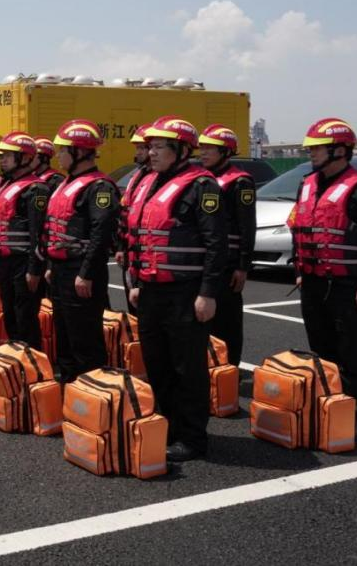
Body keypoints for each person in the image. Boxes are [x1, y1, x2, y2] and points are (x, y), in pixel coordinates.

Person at [127, 116, 227, 462]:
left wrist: (208, 293)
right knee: (157, 362)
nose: (152, 152)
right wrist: (137, 281)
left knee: (188, 368)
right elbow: (141, 237)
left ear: (182, 150)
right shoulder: (150, 182)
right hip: (151, 290)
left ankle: (192, 437)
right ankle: (167, 427)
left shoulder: (202, 186)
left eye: (159, 147)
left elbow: (216, 244)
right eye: (150, 147)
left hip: (186, 292)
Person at [290, 118, 357, 442]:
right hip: (313, 283)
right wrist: (299, 270)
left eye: (317, 148)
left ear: (340, 150)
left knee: (350, 350)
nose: (311, 153)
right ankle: (328, 405)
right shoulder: (307, 183)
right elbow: (299, 227)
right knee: (320, 348)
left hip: (346, 285)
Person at [43, 120, 119, 382]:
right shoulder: (66, 183)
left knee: (84, 337)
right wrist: (51, 266)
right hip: (61, 269)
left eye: (63, 150)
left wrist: (86, 273)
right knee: (64, 334)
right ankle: (68, 386)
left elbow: (101, 234)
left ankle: (91, 389)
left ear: (81, 152)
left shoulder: (99, 187)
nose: (58, 155)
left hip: (81, 271)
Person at [198, 124, 256, 366]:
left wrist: (243, 266)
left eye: (209, 148)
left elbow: (247, 226)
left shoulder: (239, 182)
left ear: (225, 152)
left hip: (228, 264)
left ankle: (230, 370)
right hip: (204, 262)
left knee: (227, 323)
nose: (203, 152)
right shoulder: (201, 179)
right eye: (201, 147)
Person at [0, 132, 50, 348]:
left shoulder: (36, 189)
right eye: (1, 156)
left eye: (7, 156)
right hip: (4, 261)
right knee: (10, 313)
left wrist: (34, 270)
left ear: (24, 158)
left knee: (25, 315)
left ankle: (31, 357)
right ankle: (16, 356)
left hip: (23, 263)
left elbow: (38, 234)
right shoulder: (6, 185)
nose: (2, 161)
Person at [116, 124, 152, 314]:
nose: (137, 152)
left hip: (148, 258)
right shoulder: (137, 175)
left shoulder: (158, 179)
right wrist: (121, 247)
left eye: (142, 148)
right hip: (131, 253)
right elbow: (126, 213)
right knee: (133, 307)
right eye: (137, 148)